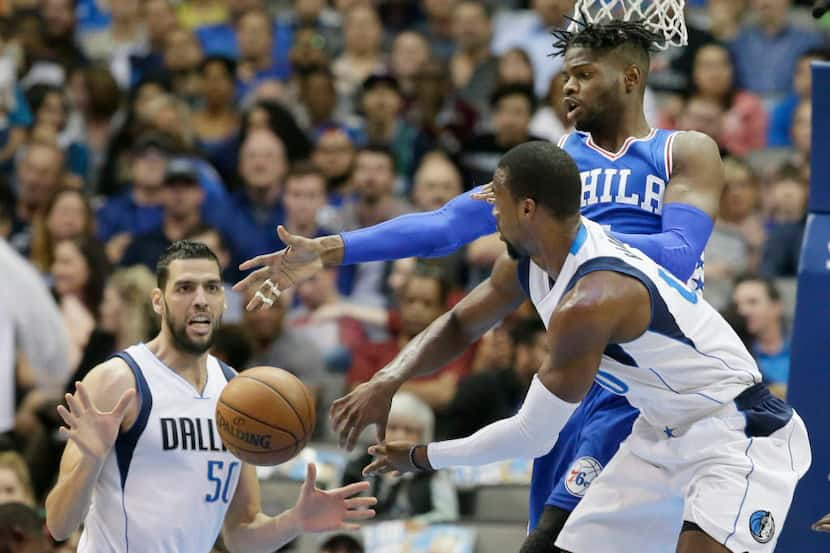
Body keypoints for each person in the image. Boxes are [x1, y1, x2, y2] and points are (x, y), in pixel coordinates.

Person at [234, 20, 725, 551]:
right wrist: (328, 251)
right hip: (571, 390)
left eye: (584, 74)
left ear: (631, 77)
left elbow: (679, 254)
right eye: (565, 76)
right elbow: (448, 229)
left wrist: (570, 236)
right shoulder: (552, 171)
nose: (568, 87)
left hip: (656, 393)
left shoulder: (681, 151)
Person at [360, 141, 811, 553]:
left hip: (737, 433)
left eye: (497, 195)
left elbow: (531, 435)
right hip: (658, 435)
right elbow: (460, 321)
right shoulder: (535, 262)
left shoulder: (592, 297)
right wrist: (390, 376)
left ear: (529, 208)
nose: (488, 206)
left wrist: (422, 456)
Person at [44, 241, 376, 552]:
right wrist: (90, 459)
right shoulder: (119, 380)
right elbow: (59, 525)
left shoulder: (238, 394)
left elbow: (241, 535)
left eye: (212, 287)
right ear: (158, 301)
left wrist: (296, 521)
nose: (200, 299)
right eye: (185, 288)